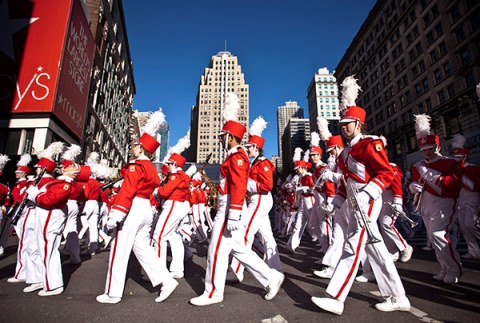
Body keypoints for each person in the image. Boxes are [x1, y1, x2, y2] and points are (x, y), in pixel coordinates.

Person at [311, 103, 410, 315]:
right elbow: (346, 182)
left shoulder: (369, 143)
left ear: (359, 124)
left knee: (352, 246)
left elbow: (385, 173)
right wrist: (335, 203)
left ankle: (336, 297)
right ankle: (399, 296)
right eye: (342, 124)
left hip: (369, 200)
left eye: (348, 124)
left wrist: (367, 194)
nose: (344, 128)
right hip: (355, 201)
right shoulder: (346, 152)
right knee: (377, 250)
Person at [189, 95, 284, 306]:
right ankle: (271, 277)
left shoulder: (237, 156)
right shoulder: (236, 156)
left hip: (229, 208)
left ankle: (213, 292)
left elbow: (239, 185)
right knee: (238, 248)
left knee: (216, 248)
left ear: (230, 136)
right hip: (229, 206)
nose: (220, 139)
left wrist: (233, 213)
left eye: (223, 136)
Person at [96, 110, 178, 304]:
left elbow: (127, 190)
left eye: (134, 145)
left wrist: (116, 214)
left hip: (132, 207)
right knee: (143, 249)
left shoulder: (135, 166)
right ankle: (166, 280)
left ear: (140, 148)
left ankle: (113, 293)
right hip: (144, 208)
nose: (131, 148)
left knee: (119, 248)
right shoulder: (150, 167)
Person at [409, 114, 463, 284]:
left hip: (444, 203)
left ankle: (455, 269)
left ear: (437, 147)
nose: (427, 152)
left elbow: (453, 184)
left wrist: (433, 177)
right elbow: (415, 182)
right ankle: (445, 268)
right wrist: (412, 187)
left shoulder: (450, 163)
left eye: (430, 148)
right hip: (425, 204)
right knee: (433, 238)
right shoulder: (418, 166)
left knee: (439, 235)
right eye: (424, 150)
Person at [227, 116, 282, 282]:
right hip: (258, 200)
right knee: (267, 236)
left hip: (260, 199)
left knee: (245, 233)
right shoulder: (255, 163)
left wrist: (248, 184)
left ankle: (236, 271)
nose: (247, 150)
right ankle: (275, 267)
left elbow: (267, 185)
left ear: (256, 148)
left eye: (249, 147)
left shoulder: (263, 163)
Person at [26, 147, 80, 296]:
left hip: (50, 216)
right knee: (40, 248)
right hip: (45, 215)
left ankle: (53, 285)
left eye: (66, 166)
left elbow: (47, 200)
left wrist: (34, 195)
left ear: (72, 171)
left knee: (48, 250)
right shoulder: (59, 182)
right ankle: (40, 278)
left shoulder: (65, 184)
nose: (62, 166)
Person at [152, 152, 191, 279]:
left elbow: (164, 192)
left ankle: (158, 272)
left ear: (174, 164)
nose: (167, 166)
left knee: (158, 236)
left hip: (173, 205)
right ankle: (177, 269)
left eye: (169, 164)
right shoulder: (180, 175)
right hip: (177, 206)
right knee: (174, 237)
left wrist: (157, 191)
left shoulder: (176, 175)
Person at [451, 134, 480, 259]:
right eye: (455, 157)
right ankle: (474, 251)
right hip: (460, 201)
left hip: (473, 200)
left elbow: (475, 186)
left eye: (459, 157)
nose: (457, 159)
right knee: (464, 227)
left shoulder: (475, 169)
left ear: (465, 157)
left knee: (470, 224)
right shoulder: (453, 170)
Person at [7, 154, 32, 282]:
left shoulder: (24, 185)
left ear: (23, 173)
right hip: (17, 212)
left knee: (24, 243)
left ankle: (22, 273)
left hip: (20, 213)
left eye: (19, 172)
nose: (16, 173)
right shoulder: (20, 184)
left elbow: (19, 199)